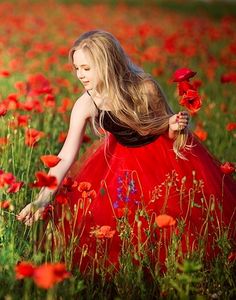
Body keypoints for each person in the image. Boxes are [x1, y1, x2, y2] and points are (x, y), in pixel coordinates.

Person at [17, 30, 236, 274]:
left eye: (87, 68)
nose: (80, 75)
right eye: (77, 68)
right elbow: (66, 154)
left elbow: (167, 130)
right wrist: (42, 198)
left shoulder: (144, 87)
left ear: (107, 64)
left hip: (164, 160)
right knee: (121, 222)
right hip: (121, 164)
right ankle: (133, 275)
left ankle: (180, 271)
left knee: (174, 217)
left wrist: (174, 126)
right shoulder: (87, 103)